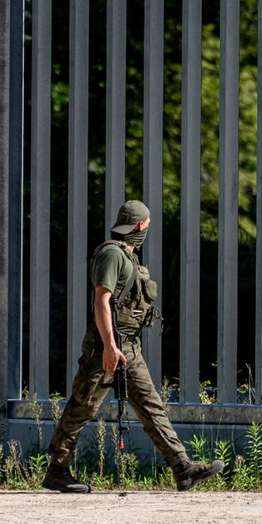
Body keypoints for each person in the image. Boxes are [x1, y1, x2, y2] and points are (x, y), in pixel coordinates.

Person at [43, 200, 224, 494]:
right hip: (106, 347)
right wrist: (109, 346)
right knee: (82, 407)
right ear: (140, 226)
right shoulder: (112, 255)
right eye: (147, 224)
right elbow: (101, 301)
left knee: (151, 406)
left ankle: (182, 468)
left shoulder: (129, 257)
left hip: (128, 347)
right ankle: (57, 470)